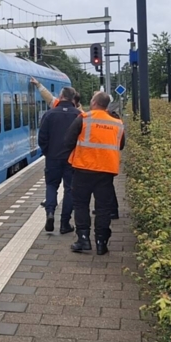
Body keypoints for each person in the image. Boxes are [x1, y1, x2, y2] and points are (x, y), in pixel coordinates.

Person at [63, 91, 125, 255]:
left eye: (91, 99)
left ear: (95, 102)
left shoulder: (84, 118)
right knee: (103, 208)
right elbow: (121, 145)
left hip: (83, 169)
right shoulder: (117, 123)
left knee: (81, 204)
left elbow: (68, 141)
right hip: (106, 171)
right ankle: (101, 243)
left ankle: (83, 240)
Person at [37, 87, 81, 234]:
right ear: (73, 98)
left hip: (53, 158)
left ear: (61, 96)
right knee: (70, 189)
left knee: (51, 186)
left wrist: (47, 152)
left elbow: (42, 138)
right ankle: (64, 224)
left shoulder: (49, 114)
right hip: (72, 159)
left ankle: (50, 213)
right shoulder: (79, 115)